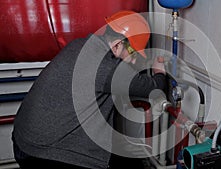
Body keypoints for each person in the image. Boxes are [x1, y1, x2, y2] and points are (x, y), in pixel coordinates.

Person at [12, 10, 166, 169]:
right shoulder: (106, 68)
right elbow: (153, 88)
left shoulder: (79, 44)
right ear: (117, 44)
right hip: (42, 153)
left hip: (24, 140)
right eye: (133, 52)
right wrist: (159, 70)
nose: (134, 59)